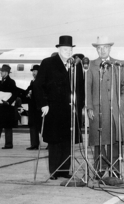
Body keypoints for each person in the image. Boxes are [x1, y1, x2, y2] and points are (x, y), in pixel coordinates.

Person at [34, 35, 85, 180]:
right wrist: (43, 104)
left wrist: (79, 106)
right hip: (53, 109)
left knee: (68, 141)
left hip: (70, 110)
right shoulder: (48, 63)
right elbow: (38, 85)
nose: (67, 52)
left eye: (69, 49)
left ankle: (64, 170)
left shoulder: (76, 65)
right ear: (58, 49)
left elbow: (80, 88)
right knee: (55, 141)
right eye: (64, 49)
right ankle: (54, 171)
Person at [87, 36, 124, 177]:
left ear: (110, 48)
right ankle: (100, 169)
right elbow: (87, 87)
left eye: (105, 47)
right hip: (97, 109)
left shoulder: (119, 64)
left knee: (115, 140)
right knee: (98, 140)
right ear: (96, 49)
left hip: (115, 110)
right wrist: (89, 107)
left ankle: (115, 169)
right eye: (99, 48)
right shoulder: (90, 65)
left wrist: (121, 103)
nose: (102, 50)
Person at [0, 64, 17, 149]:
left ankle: (8, 144)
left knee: (8, 126)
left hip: (7, 107)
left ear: (6, 72)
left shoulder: (11, 82)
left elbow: (15, 94)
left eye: (2, 71)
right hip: (0, 106)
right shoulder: (1, 82)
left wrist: (8, 102)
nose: (0, 73)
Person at [24, 65, 42, 150]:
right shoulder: (32, 82)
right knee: (33, 126)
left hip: (39, 108)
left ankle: (50, 144)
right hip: (32, 108)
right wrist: (28, 94)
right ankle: (34, 144)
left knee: (42, 127)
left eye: (35, 71)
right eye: (33, 71)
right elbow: (27, 91)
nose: (33, 73)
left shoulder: (42, 81)